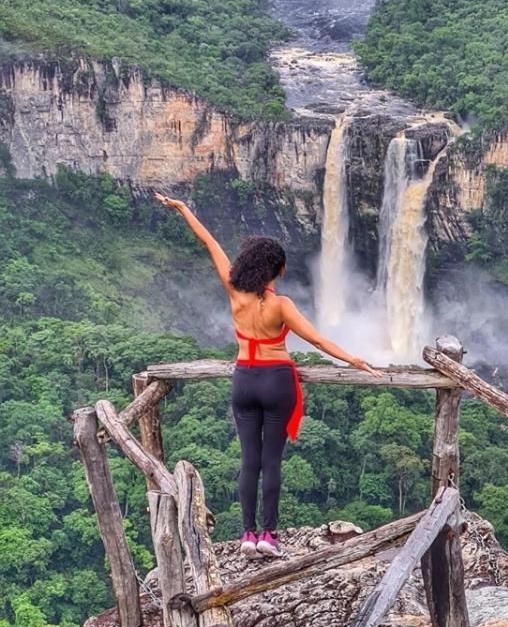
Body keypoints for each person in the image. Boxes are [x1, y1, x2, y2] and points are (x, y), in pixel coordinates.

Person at [155, 193, 383, 559]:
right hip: (277, 381)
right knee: (272, 462)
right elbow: (318, 341)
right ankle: (269, 536)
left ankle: (246, 534)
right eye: (282, 267)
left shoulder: (235, 292)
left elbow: (209, 241)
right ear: (275, 270)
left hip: (244, 379)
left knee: (249, 461)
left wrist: (182, 209)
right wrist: (355, 360)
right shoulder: (282, 306)